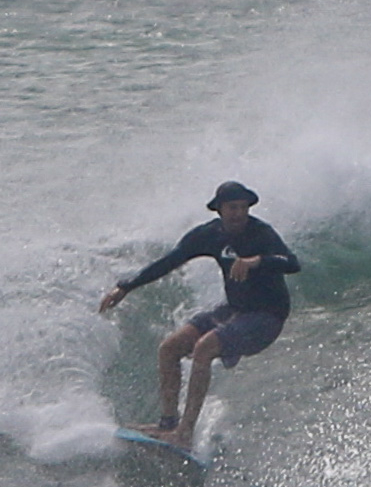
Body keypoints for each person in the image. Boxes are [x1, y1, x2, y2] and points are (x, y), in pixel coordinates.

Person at [99, 181, 300, 448]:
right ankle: (168, 423)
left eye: (243, 208)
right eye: (232, 208)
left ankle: (185, 433)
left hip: (267, 317)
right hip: (235, 310)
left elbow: (292, 263)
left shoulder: (261, 233)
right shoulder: (209, 235)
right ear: (219, 209)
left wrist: (257, 261)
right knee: (169, 348)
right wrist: (125, 286)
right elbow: (169, 262)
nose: (239, 214)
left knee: (205, 347)